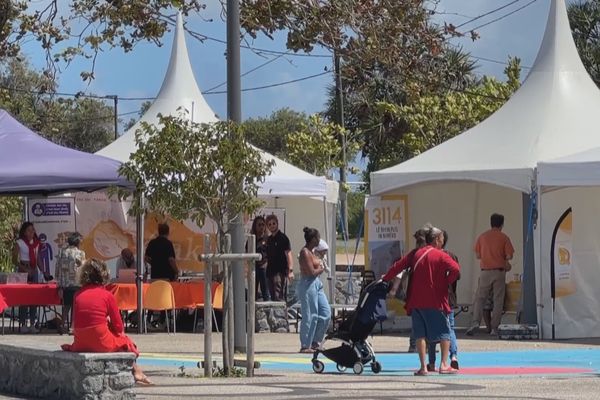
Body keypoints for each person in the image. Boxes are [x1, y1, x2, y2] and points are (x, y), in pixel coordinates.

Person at [61, 259, 152, 385]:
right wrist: (116, 330)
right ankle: (137, 371)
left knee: (115, 337)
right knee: (125, 343)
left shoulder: (78, 294)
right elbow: (119, 325)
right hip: (99, 340)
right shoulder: (107, 295)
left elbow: (78, 321)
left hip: (80, 340)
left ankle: (137, 371)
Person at [383, 226, 460, 375]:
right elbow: (456, 269)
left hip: (416, 300)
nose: (443, 242)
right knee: (444, 332)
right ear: (437, 239)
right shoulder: (442, 255)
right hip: (436, 300)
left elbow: (397, 267)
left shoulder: (415, 254)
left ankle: (423, 367)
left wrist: (385, 279)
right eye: (442, 239)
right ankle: (444, 364)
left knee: (420, 334)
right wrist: (446, 281)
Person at [467, 213, 515, 336]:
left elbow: (478, 255)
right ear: (502, 224)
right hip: (499, 272)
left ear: (491, 222)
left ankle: (475, 322)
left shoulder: (482, 237)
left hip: (485, 272)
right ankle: (494, 328)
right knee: (498, 300)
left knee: (480, 298)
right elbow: (509, 256)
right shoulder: (504, 237)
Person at [387, 228, 427, 353]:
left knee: (418, 319)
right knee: (423, 319)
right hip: (422, 292)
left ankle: (415, 345)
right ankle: (419, 345)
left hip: (415, 292)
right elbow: (401, 271)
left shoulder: (414, 254)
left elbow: (399, 271)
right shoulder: (419, 254)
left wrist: (393, 287)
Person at [426, 230, 460, 371]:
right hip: (449, 297)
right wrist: (448, 282)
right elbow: (457, 274)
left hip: (434, 298)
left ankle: (432, 362)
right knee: (450, 328)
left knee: (432, 329)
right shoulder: (452, 256)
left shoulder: (430, 257)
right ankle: (453, 356)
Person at [297, 227, 331, 353]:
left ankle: (316, 341)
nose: (319, 240)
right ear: (312, 239)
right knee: (310, 314)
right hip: (308, 284)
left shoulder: (313, 252)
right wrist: (322, 269)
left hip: (317, 284)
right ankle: (305, 345)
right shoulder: (305, 252)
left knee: (325, 313)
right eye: (318, 237)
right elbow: (311, 272)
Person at [145, 223, 178, 330]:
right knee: (165, 297)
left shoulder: (152, 243)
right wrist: (176, 271)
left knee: (153, 296)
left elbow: (146, 257)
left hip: (155, 274)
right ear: (168, 232)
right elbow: (171, 259)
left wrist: (154, 263)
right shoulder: (168, 244)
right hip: (166, 275)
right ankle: (163, 321)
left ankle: (148, 319)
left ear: (158, 231)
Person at [55, 232, 86, 333]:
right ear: (78, 242)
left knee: (66, 305)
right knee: (75, 306)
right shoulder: (81, 253)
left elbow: (57, 269)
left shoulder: (61, 252)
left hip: (65, 284)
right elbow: (83, 269)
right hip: (76, 283)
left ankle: (62, 323)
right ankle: (72, 327)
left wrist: (59, 286)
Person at [12, 222, 41, 333]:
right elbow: (14, 260)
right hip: (23, 269)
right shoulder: (19, 243)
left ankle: (33, 323)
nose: (31, 232)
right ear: (24, 232)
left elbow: (38, 259)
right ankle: (23, 323)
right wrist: (25, 269)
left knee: (34, 297)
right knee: (24, 297)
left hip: (34, 270)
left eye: (33, 230)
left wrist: (44, 271)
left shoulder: (37, 243)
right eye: (29, 230)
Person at [265, 215, 293, 301]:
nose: (272, 225)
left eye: (273, 223)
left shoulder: (283, 238)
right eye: (269, 224)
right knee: (273, 298)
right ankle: (275, 314)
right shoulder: (268, 239)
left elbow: (288, 254)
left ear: (277, 223)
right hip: (270, 272)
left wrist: (290, 270)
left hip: (280, 273)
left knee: (279, 297)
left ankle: (280, 315)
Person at [250, 216, 270, 301]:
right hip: (254, 268)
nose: (261, 227)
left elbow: (271, 253)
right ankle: (253, 312)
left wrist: (266, 264)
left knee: (265, 291)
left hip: (264, 268)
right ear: (255, 226)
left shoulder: (268, 239)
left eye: (263, 224)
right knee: (252, 292)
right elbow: (247, 251)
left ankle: (267, 312)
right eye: (259, 225)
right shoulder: (251, 239)